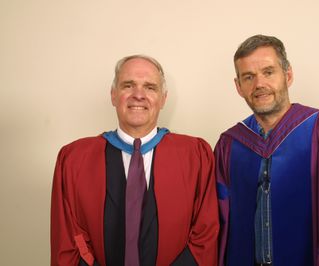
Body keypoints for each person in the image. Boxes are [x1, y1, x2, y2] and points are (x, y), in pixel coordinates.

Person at [215, 35, 319, 266]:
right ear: (238, 87)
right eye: (248, 77)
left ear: (288, 75)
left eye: (268, 72)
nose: (259, 84)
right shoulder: (229, 145)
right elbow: (219, 228)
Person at [51, 55, 219, 266]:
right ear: (113, 95)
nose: (138, 95)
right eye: (128, 85)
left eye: (150, 87)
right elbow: (68, 238)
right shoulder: (75, 160)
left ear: (163, 98)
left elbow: (205, 235)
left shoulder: (195, 156)